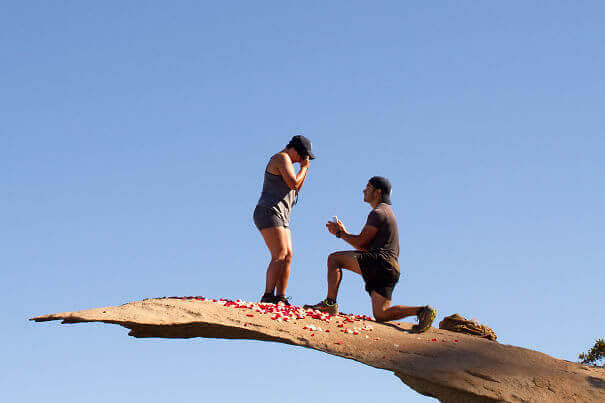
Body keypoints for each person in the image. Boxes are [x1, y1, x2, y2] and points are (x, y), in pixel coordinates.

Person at [304, 176, 437, 333]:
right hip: (391, 269)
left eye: (368, 187)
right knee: (381, 314)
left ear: (378, 192)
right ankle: (422, 311)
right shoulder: (389, 213)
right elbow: (366, 247)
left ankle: (330, 305)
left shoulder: (378, 212)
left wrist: (339, 233)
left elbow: (361, 244)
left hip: (379, 262)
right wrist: (344, 232)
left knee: (334, 259)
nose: (364, 190)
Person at [253, 135, 315, 305]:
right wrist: (304, 168)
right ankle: (268, 296)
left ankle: (280, 296)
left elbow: (296, 189)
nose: (302, 160)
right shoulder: (281, 158)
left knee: (288, 255)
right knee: (279, 254)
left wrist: (304, 170)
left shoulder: (289, 161)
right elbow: (294, 183)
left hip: (281, 214)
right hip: (268, 211)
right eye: (302, 156)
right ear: (294, 149)